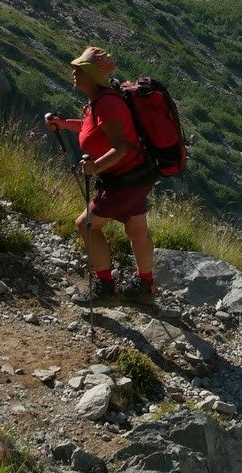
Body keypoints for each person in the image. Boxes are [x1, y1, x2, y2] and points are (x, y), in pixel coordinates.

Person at [45, 46, 158, 304]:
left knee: (86, 224)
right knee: (137, 229)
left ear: (93, 75)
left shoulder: (106, 104)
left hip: (124, 180)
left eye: (80, 69)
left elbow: (120, 147)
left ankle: (106, 287)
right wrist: (63, 124)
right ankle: (145, 286)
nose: (74, 72)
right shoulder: (99, 101)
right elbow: (91, 131)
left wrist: (95, 167)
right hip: (136, 175)